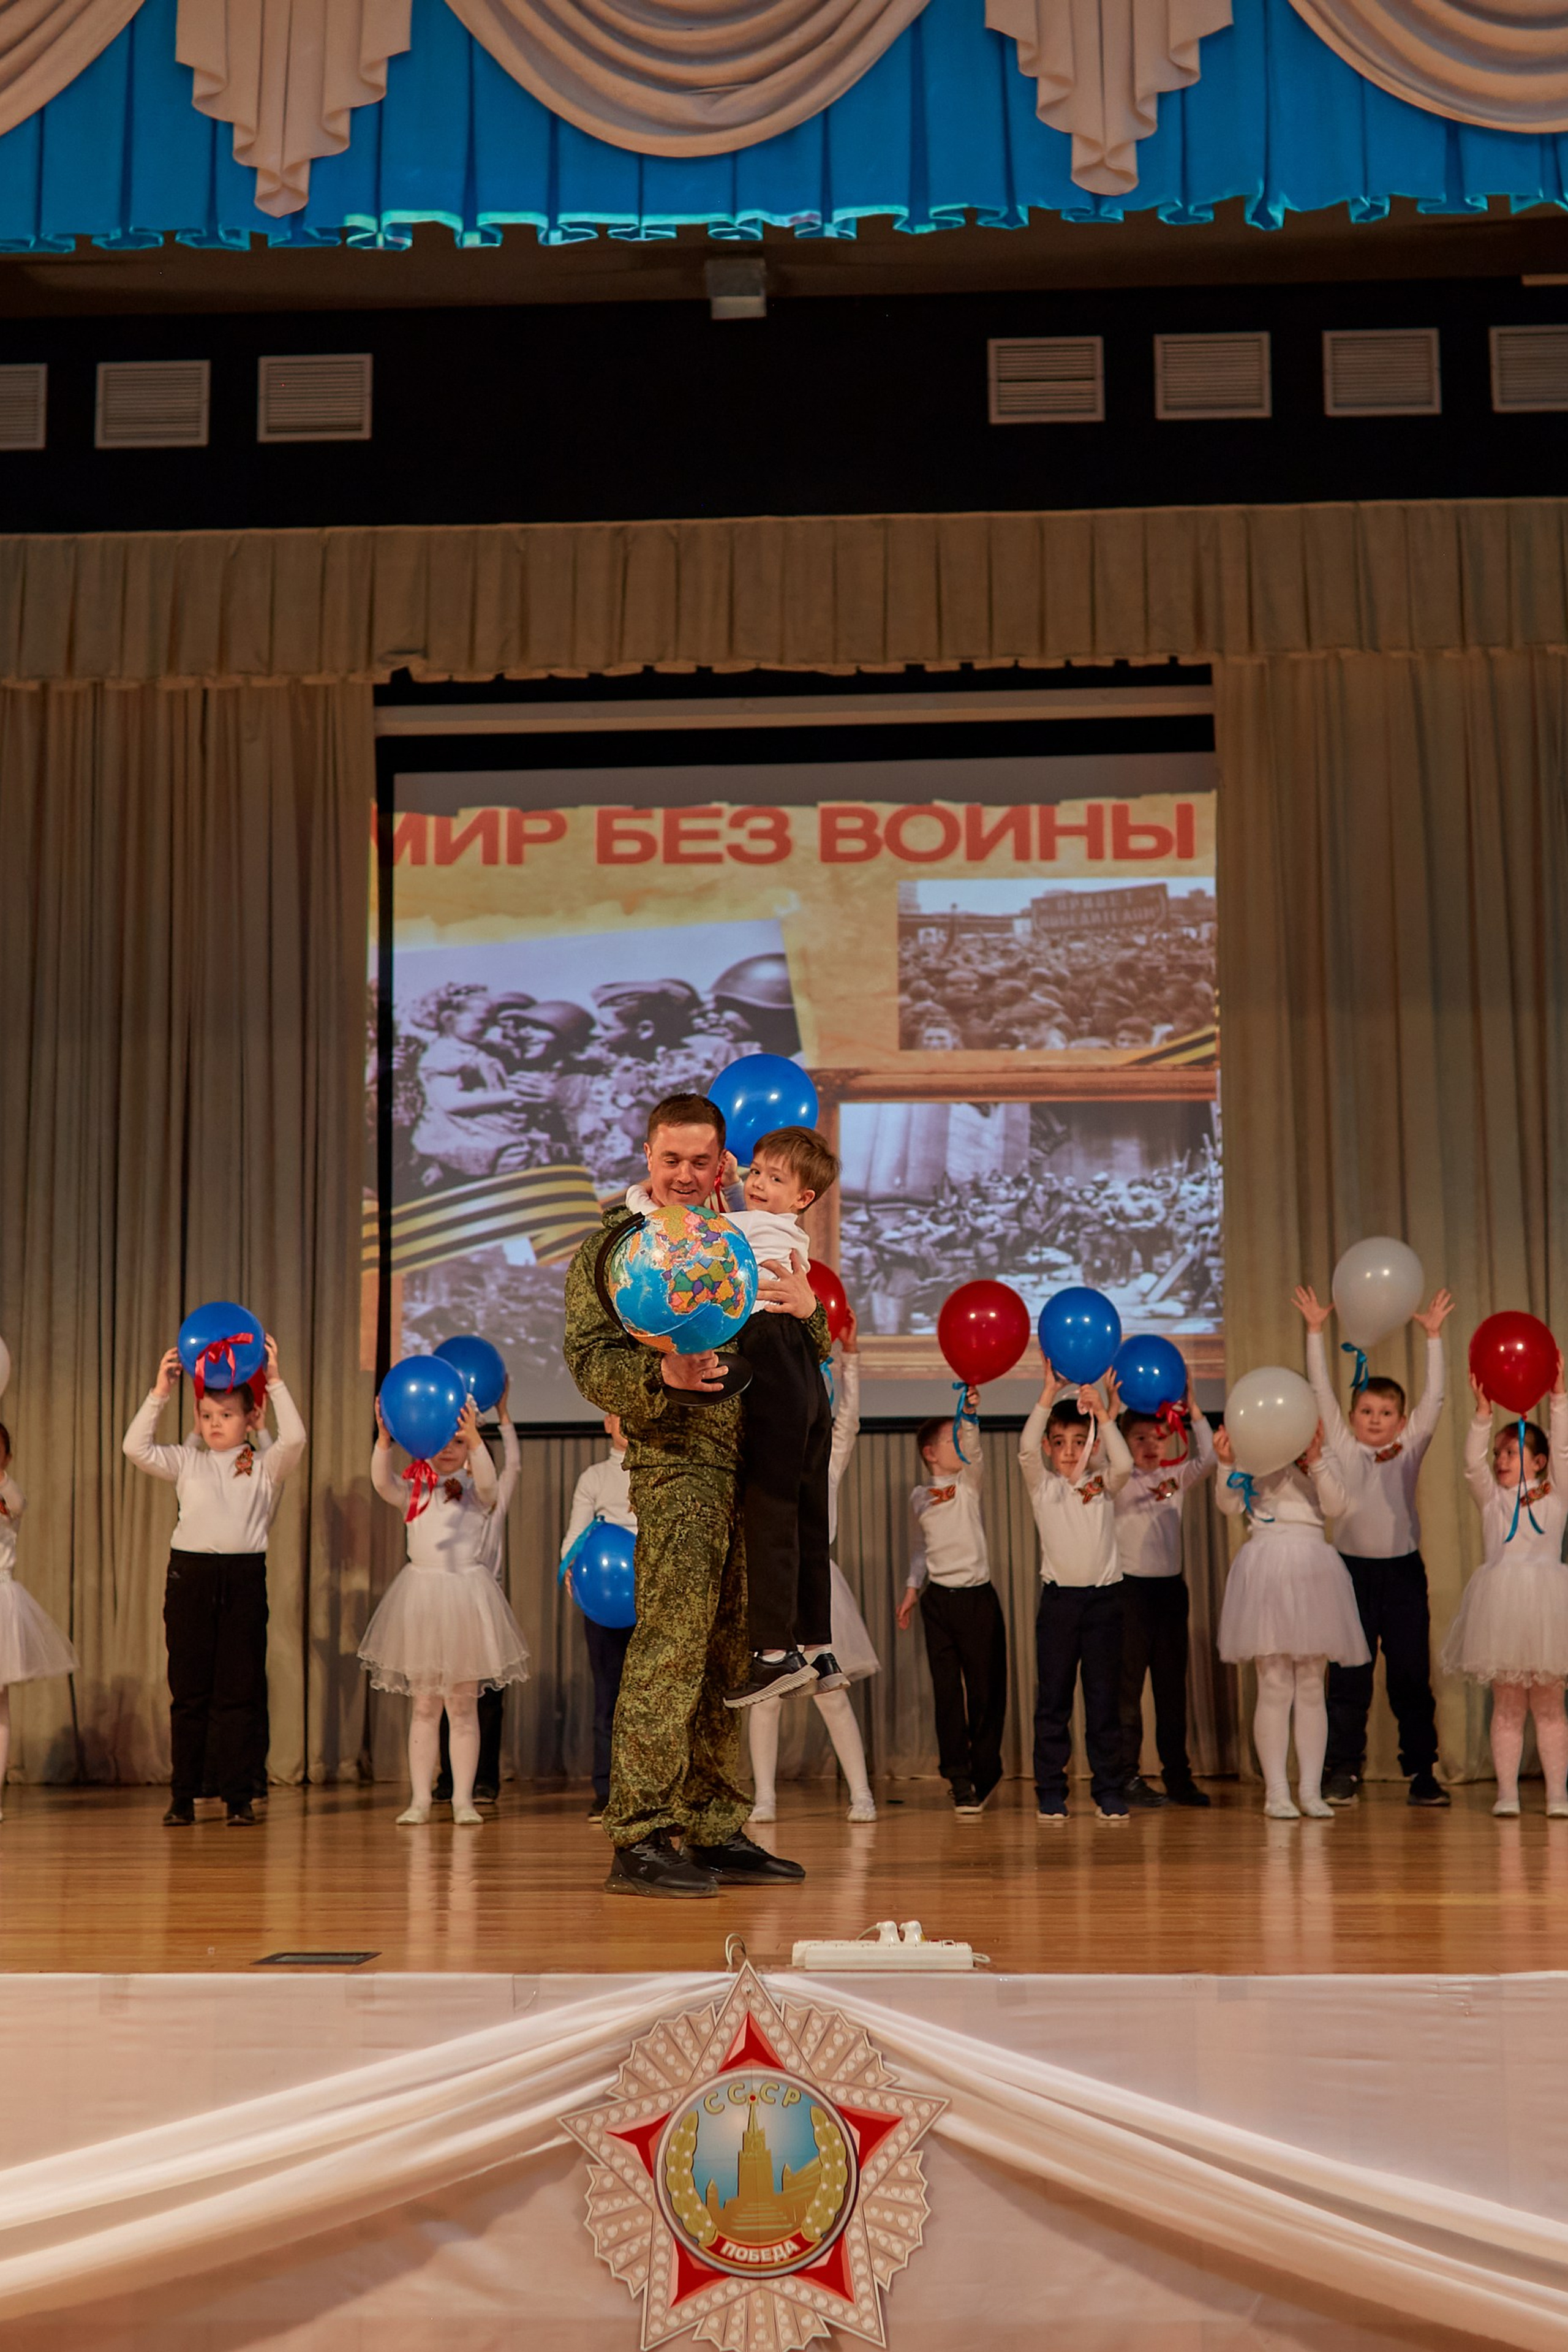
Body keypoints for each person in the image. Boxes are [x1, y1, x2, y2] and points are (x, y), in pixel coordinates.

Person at [563, 1093, 829, 1898]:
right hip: (680, 1462)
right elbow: (588, 1357)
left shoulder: (743, 1239)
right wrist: (661, 1375)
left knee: (731, 1656)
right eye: (670, 1160)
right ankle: (642, 1833)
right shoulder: (617, 1246)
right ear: (649, 1157)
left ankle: (714, 1826)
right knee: (672, 1645)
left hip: (759, 1471)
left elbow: (796, 1350)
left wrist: (814, 1317)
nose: (686, 1175)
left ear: (722, 1165)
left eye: (701, 1162)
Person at [124, 1335, 305, 1828]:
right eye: (206, 1415)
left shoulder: (264, 1466)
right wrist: (160, 1391)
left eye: (226, 1415)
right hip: (190, 1579)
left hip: (243, 1580)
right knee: (189, 1694)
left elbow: (296, 1441)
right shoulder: (188, 1461)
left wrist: (275, 1380)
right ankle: (183, 1797)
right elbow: (134, 1447)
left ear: (250, 1419)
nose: (214, 1424)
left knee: (238, 1694)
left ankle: (238, 1798)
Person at [1294, 1283, 1454, 1808]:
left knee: (1410, 1676)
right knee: (1349, 1679)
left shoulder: (1409, 1449)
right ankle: (1344, 1768)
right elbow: (1319, 1392)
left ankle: (1422, 1773)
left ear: (1401, 1423)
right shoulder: (1340, 1444)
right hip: (1351, 1574)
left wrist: (1433, 1337)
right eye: (1366, 1411)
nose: (1376, 1420)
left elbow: (1434, 1400)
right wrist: (1315, 1330)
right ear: (1353, 1415)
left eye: (1386, 1413)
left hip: (1403, 1574)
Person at [362, 1394, 530, 1826]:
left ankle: (463, 1800)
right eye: (442, 1439)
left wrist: (475, 1439)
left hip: (465, 1598)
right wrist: (383, 1441)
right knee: (423, 1705)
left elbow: (493, 1484)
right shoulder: (413, 1488)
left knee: (462, 1707)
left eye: (457, 1441)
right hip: (421, 1597)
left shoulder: (478, 1493)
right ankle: (419, 1800)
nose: (448, 1448)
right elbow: (381, 1485)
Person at [750, 1313, 879, 1825]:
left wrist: (850, 1360)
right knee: (768, 1696)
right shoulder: (767, 1456)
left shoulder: (826, 1455)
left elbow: (848, 1419)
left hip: (819, 1585)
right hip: (774, 1583)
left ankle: (862, 1793)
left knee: (830, 1694)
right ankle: (764, 1798)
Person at [1215, 1421, 1365, 1819]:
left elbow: (1337, 1505)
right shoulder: (1253, 1455)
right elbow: (1229, 1503)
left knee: (1313, 1684)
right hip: (1267, 1562)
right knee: (1275, 1682)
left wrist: (1315, 1460)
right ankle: (1277, 1792)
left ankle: (1311, 1790)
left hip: (1312, 1564)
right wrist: (1226, 1462)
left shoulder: (1321, 1454)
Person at [1441, 1354, 1568, 1817]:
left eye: (1511, 1452)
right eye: (1499, 1453)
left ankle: (1558, 1794)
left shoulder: (1557, 1493)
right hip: (1503, 1605)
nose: (1500, 1460)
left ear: (1538, 1461)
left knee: (1550, 1703)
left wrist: (1558, 1398)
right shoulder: (1491, 1500)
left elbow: (1566, 1450)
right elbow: (1472, 1466)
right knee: (1509, 1702)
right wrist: (1481, 1416)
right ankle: (1507, 1794)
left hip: (1548, 1603)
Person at [1017, 1361, 1133, 1824]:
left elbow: (1123, 1462)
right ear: (1049, 1446)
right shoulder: (1043, 1487)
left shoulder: (1104, 1483)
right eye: (1060, 1443)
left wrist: (1104, 1416)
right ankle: (1051, 1791)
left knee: (1104, 1702)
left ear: (1093, 1445)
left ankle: (1109, 1789)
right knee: (1054, 1703)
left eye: (1079, 1442)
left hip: (1105, 1603)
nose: (1069, 1452)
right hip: (1060, 1605)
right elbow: (1025, 1451)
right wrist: (1048, 1394)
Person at [898, 1391, 1006, 1816]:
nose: (960, 1447)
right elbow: (919, 1549)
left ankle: (984, 1772)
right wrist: (911, 1590)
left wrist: (971, 1415)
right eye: (951, 1441)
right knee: (947, 1695)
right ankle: (958, 1779)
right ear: (930, 1453)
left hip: (978, 1600)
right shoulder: (919, 1496)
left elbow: (974, 1448)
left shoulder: (969, 1483)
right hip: (938, 1603)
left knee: (985, 1691)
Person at [1113, 1381, 1217, 1809]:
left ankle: (1178, 1777)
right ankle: (1126, 1777)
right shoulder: (1117, 1479)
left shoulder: (1176, 1475)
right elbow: (1108, 1454)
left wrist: (1194, 1412)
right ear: (1124, 1443)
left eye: (1158, 1437)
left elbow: (1210, 1458)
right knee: (1127, 1692)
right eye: (1139, 1438)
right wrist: (1111, 1409)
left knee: (1172, 1691)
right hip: (1129, 1594)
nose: (1151, 1445)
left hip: (1170, 1592)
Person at [435, 1383, 519, 1806]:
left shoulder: (491, 1495)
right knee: (447, 1693)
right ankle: (447, 1780)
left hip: (485, 1601)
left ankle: (485, 1780)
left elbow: (513, 1467)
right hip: (449, 1599)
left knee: (485, 1698)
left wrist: (503, 1418)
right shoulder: (445, 1491)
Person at [0, 1419, 78, 1823]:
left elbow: (15, 1503)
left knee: (0, 1706)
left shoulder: (9, 1494)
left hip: (2, 1600)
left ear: (7, 1457)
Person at [561, 1411, 637, 1823]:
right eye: (618, 1416)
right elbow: (576, 1534)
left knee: (659, 1701)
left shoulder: (659, 1471)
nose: (626, 1423)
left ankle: (660, 1794)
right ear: (608, 1423)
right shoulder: (594, 1477)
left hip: (654, 1598)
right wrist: (568, 1566)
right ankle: (606, 1793)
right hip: (605, 1602)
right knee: (608, 1698)